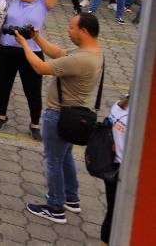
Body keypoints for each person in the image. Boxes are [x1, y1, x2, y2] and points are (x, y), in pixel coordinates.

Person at [17, 13, 103, 225]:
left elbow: (41, 68)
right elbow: (58, 53)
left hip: (59, 115)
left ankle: (55, 207)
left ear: (84, 31)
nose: (68, 30)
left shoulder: (82, 59)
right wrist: (36, 39)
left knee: (53, 160)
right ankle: (71, 198)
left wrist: (24, 44)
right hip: (73, 115)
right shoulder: (93, 53)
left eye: (72, 27)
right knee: (64, 157)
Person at [0, 0, 60, 138]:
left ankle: (35, 123)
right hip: (7, 50)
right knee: (3, 85)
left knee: (33, 90)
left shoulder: (43, 5)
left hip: (31, 52)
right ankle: (1, 116)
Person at [101, 94, 129, 245]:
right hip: (123, 170)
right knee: (116, 213)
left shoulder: (118, 106)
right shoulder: (134, 118)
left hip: (111, 166)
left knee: (112, 211)